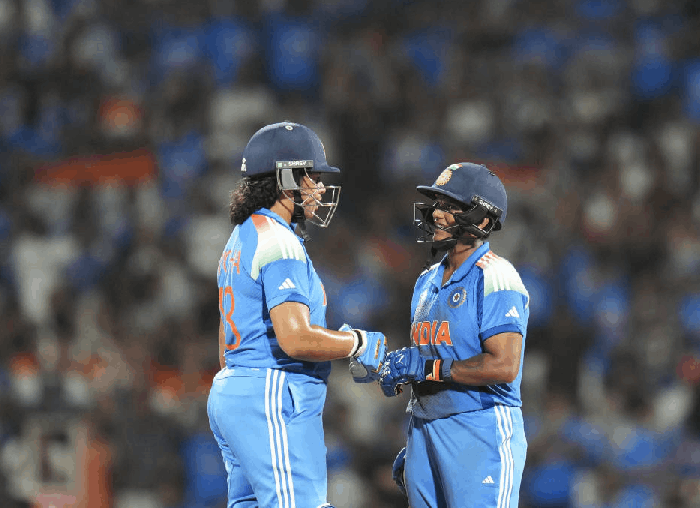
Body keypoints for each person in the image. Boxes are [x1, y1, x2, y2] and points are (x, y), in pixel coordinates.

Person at [207, 121, 388, 508]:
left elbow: (225, 347)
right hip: (272, 392)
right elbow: (295, 339)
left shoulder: (241, 236)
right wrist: (356, 343)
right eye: (313, 177)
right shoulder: (279, 241)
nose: (320, 188)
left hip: (235, 390)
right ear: (287, 178)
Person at [379, 162, 530, 508]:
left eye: (450, 206)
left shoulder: (496, 276)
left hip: (481, 433)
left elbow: (504, 365)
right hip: (427, 432)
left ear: (482, 220)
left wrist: (428, 369)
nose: (437, 215)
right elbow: (430, 359)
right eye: (438, 205)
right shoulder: (425, 281)